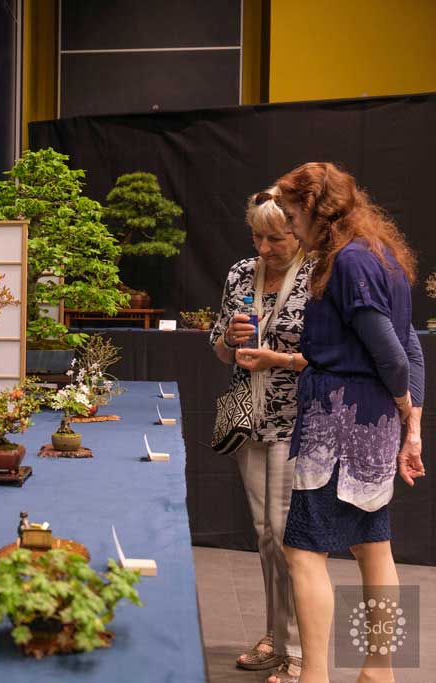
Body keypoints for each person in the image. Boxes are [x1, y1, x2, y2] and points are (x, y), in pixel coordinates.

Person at [264, 162, 425, 683]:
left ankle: (314, 676)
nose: (289, 227)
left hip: (339, 419)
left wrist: (404, 406)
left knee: (303, 550)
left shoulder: (350, 261)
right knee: (373, 544)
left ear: (315, 208)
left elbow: (395, 357)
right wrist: (410, 420)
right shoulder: (382, 255)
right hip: (370, 418)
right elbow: (411, 348)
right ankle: (380, 671)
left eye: (291, 215)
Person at [211, 187, 312, 681]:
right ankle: (275, 634)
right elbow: (217, 340)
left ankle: (295, 649)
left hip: (297, 419)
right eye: (257, 236)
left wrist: (281, 360)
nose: (265, 248)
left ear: (297, 232)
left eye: (276, 238)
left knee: (285, 534)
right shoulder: (239, 274)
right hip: (247, 417)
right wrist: (228, 340)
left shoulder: (318, 276)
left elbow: (332, 354)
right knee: (263, 534)